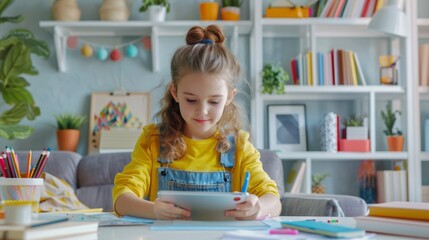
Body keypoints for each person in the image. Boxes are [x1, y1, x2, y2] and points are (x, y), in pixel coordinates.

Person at [112, 25, 281, 220]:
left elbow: (274, 201)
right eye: (191, 100)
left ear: (229, 97)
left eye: (214, 101)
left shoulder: (240, 147)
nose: (202, 111)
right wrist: (153, 210)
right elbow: (122, 198)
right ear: (174, 92)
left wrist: (258, 207)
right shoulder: (153, 140)